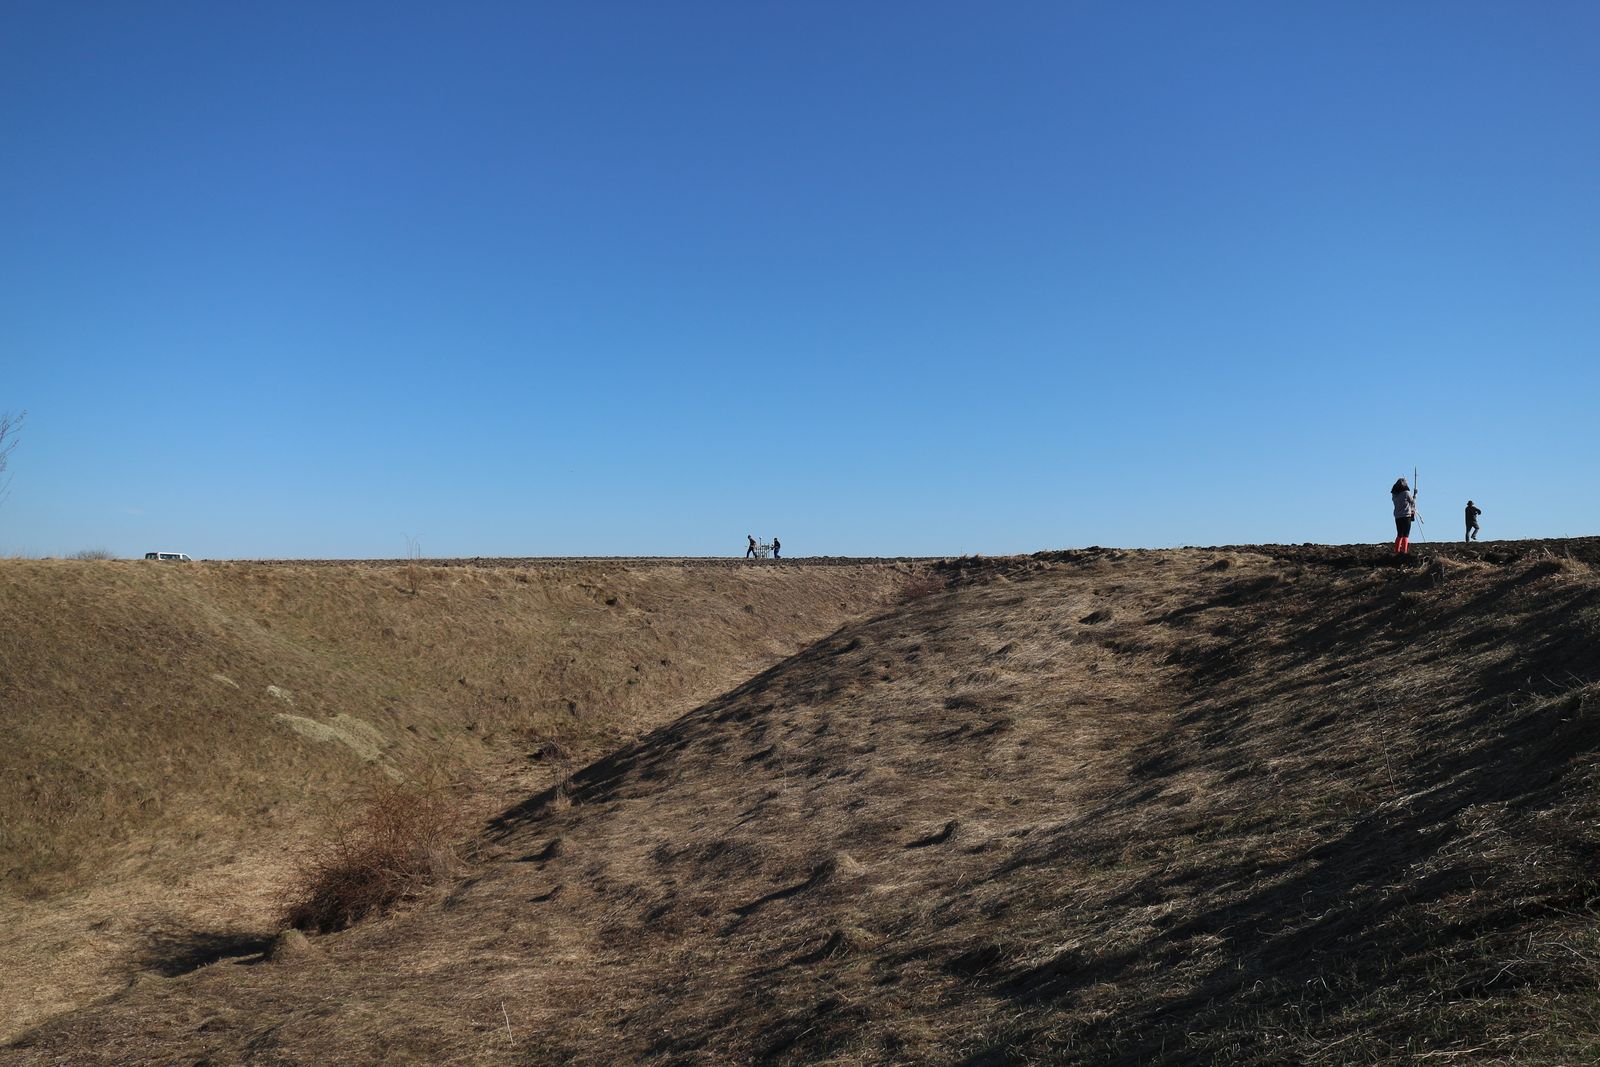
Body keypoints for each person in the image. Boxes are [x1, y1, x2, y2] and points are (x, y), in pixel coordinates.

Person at [1391, 477, 1417, 556]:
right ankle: (1404, 552)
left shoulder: (1394, 494)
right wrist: (1415, 494)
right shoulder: (1406, 493)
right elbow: (1412, 502)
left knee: (1399, 534)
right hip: (1406, 516)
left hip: (1397, 517)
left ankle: (1396, 551)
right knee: (1406, 534)